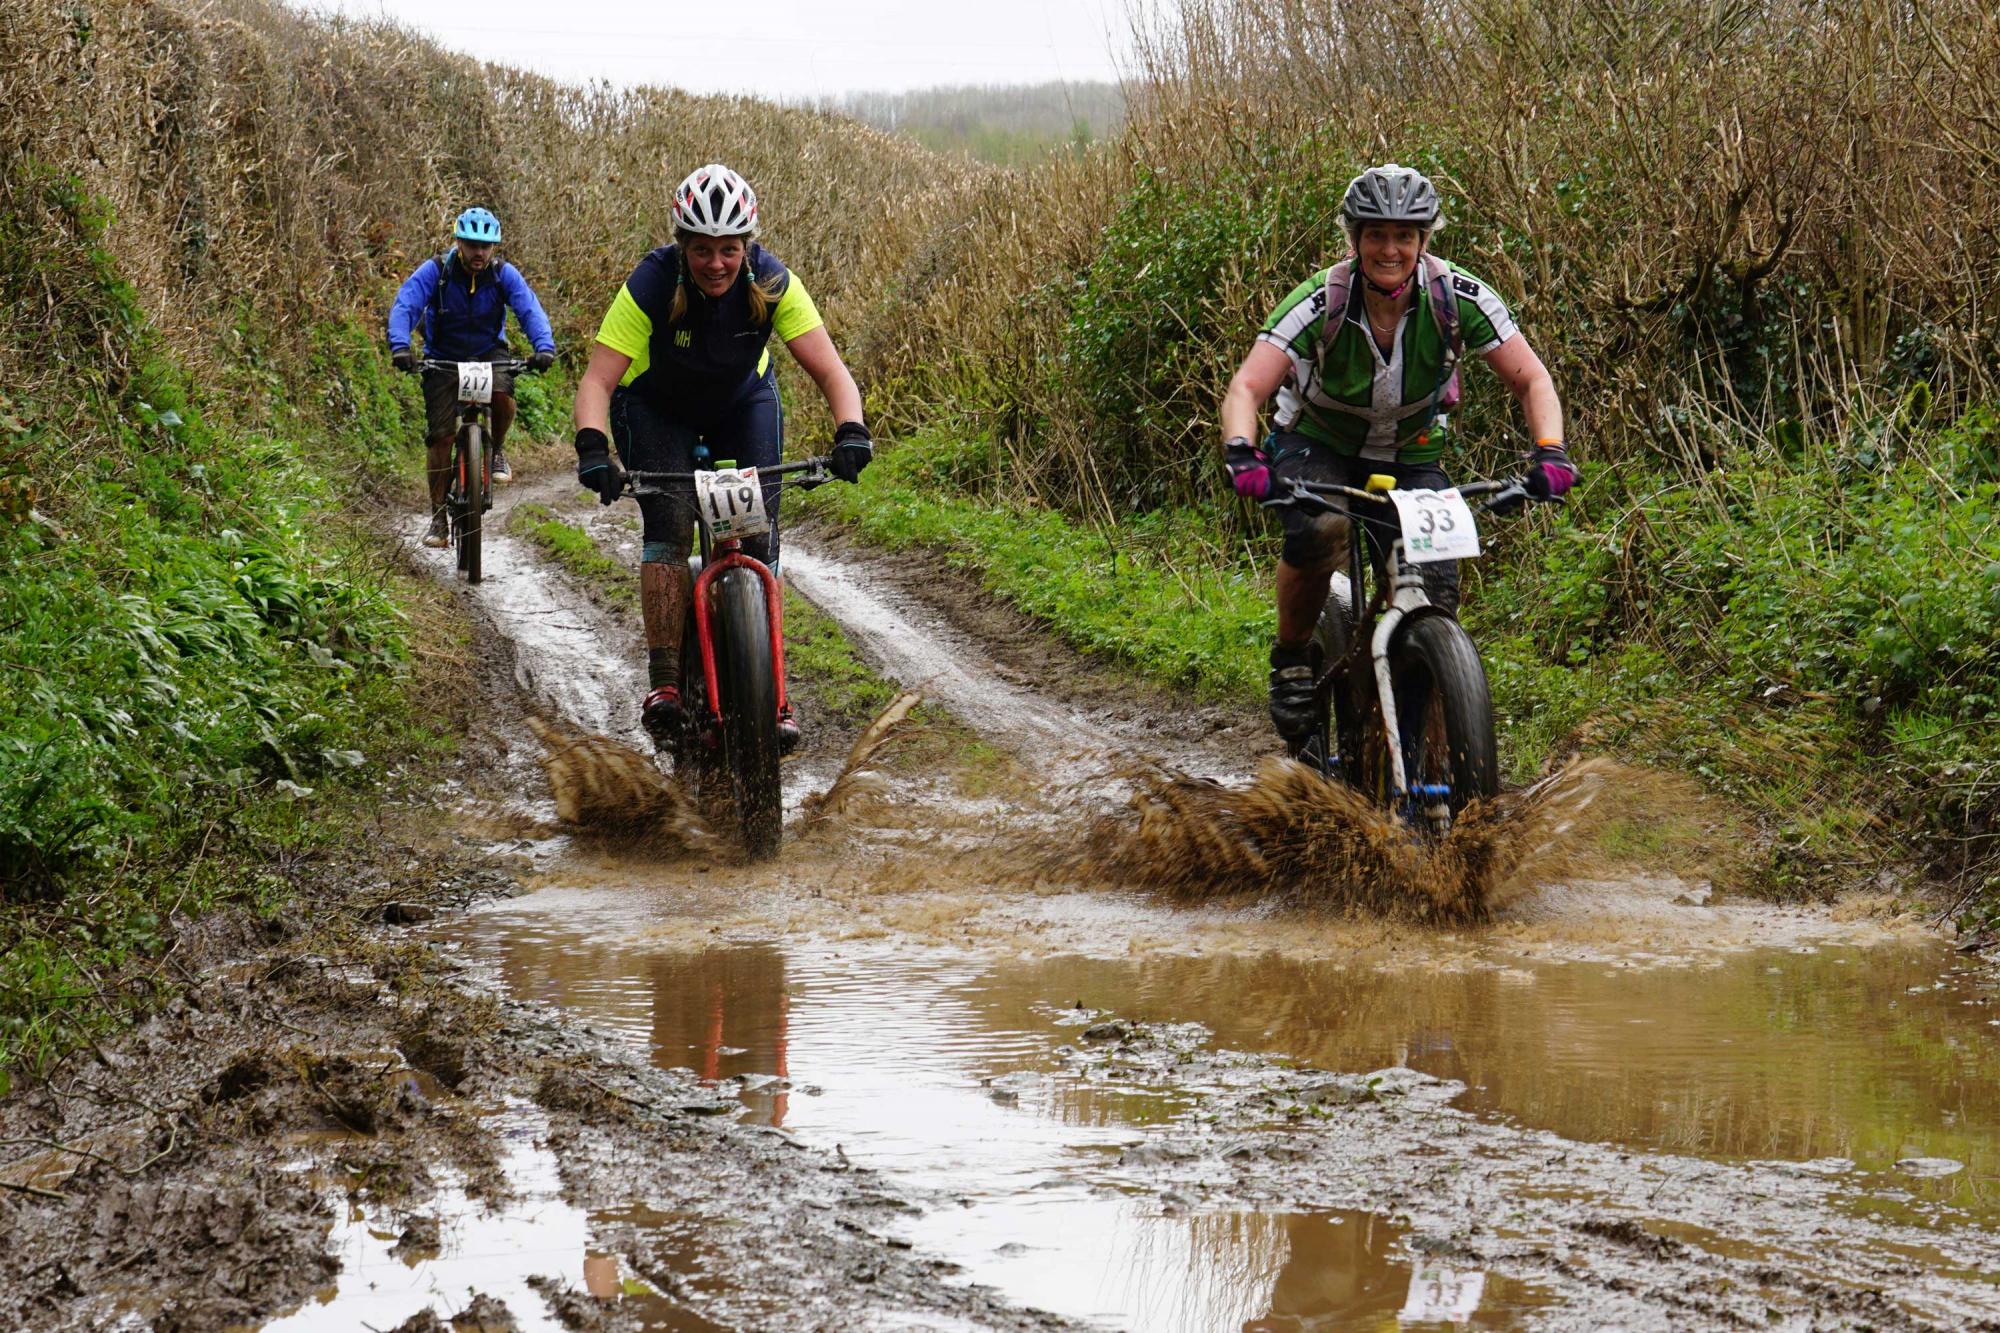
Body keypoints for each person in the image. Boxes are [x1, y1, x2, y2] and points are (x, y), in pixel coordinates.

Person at [1219, 162, 1578, 741]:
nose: (1391, 249)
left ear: (1423, 241)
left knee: (1434, 586)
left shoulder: (1459, 295)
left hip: (1410, 451)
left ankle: (1427, 709)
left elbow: (1532, 380)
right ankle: (1290, 661)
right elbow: (1248, 387)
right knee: (1321, 529)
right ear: (1355, 239)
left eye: (1404, 236)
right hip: (1317, 442)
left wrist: (1551, 454)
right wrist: (1243, 453)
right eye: (1376, 235)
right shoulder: (1321, 300)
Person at [570, 164, 871, 754]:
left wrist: (852, 431)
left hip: (741, 403)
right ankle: (664, 687)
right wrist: (592, 447)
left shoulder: (773, 281)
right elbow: (598, 382)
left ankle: (773, 695)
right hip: (658, 406)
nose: (716, 264)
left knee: (758, 536)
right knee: (671, 523)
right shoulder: (652, 282)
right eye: (702, 250)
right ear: (682, 247)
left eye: (729, 250)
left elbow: (831, 370)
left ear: (746, 247)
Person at [387, 207, 558, 548]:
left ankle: (497, 450)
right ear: (459, 243)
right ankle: (438, 516)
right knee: (440, 438)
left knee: (504, 396)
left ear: (494, 247)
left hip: (487, 351)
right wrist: (400, 346)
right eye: (471, 245)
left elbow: (528, 308)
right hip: (443, 355)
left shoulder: (502, 274)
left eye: (486, 246)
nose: (479, 253)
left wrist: (544, 346)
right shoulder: (436, 272)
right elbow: (406, 304)